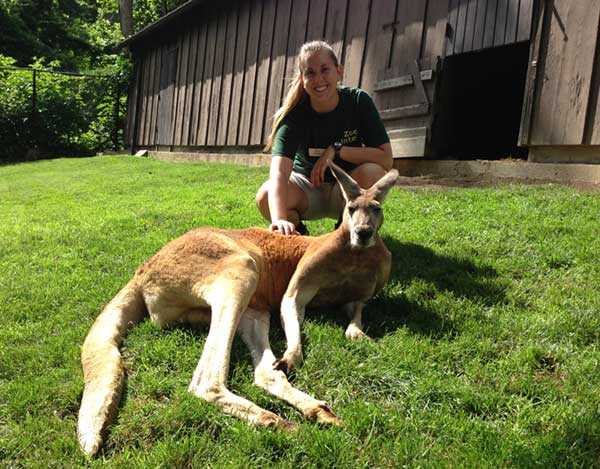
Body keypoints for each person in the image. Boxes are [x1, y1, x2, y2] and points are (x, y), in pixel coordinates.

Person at [256, 40, 393, 236]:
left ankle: (345, 233)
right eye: (310, 73)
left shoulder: (358, 101)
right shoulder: (294, 116)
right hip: (307, 188)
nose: (318, 79)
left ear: (339, 71)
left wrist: (337, 150)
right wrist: (279, 219)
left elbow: (386, 159)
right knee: (265, 195)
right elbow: (278, 173)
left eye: (324, 69)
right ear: (302, 79)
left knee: (373, 171)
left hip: (346, 189)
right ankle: (297, 237)